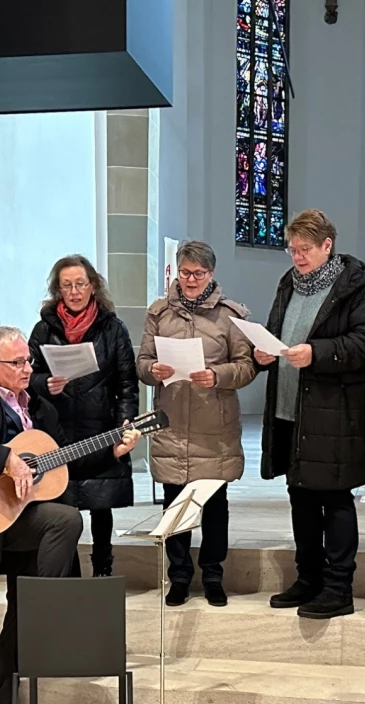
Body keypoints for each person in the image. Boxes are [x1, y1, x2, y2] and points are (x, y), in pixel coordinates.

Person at [0, 326, 140, 704]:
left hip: (30, 522)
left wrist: (111, 450)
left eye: (28, 360)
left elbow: (60, 465)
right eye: (18, 362)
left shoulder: (41, 407)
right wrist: (7, 458)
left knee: (19, 617)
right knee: (66, 520)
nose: (29, 368)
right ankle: (55, 613)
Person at [256, 209, 365, 620]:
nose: (297, 256)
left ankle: (338, 587)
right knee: (301, 498)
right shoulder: (288, 285)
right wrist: (264, 354)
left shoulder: (356, 287)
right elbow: (280, 335)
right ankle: (308, 578)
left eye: (305, 249)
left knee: (335, 498)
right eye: (292, 249)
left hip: (335, 414)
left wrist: (318, 352)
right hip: (291, 410)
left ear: (328, 246)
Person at [136, 240, 256, 607]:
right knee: (175, 505)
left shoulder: (230, 315)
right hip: (172, 423)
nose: (191, 279)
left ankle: (213, 575)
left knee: (214, 505)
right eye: (185, 272)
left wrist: (217, 375)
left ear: (212, 274)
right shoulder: (159, 312)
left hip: (213, 427)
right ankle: (179, 576)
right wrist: (153, 370)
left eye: (198, 273)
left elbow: (247, 366)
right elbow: (141, 362)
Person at [29, 255, 139, 577]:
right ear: (58, 290)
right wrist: (44, 383)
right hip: (56, 429)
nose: (74, 291)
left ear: (93, 286)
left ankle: (103, 567)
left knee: (100, 503)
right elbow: (28, 373)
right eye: (67, 285)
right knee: (62, 504)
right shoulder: (44, 328)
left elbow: (126, 382)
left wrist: (124, 423)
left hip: (100, 426)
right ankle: (69, 571)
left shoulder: (112, 327)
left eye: (80, 284)